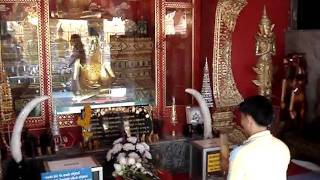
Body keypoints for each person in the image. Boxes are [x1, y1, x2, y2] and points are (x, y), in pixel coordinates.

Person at [227, 95, 290, 180]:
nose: (241, 122)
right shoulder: (283, 147)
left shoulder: (240, 154)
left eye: (242, 117)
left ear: (249, 120)